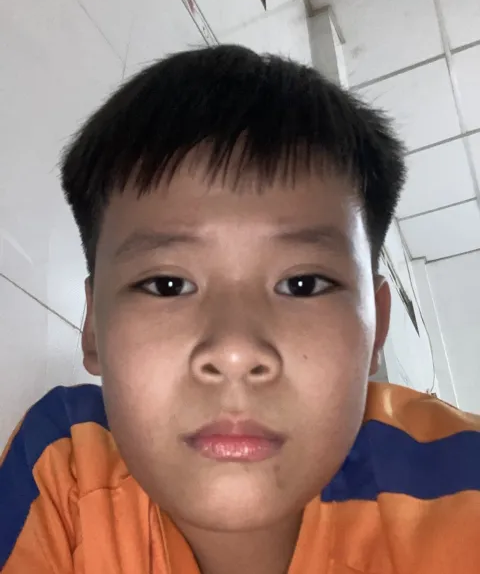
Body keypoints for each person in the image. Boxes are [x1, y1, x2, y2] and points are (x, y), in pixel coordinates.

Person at [1, 45, 479, 574]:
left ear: (377, 328)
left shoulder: (464, 486)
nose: (234, 351)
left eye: (302, 284)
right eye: (167, 285)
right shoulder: (64, 468)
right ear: (93, 326)